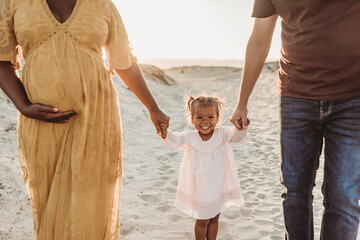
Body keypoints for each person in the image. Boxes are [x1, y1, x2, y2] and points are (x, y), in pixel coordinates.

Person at [0, 0, 169, 239]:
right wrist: (23, 105)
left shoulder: (102, 5)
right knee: (48, 204)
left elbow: (124, 62)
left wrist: (154, 108)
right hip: (41, 123)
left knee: (91, 202)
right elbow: (2, 60)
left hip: (97, 120)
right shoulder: (13, 3)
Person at [230, 1, 360, 239]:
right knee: (294, 192)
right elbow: (259, 40)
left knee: (344, 195)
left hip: (353, 97)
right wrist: (242, 102)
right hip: (296, 96)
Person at [160, 95, 248, 240]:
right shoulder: (190, 137)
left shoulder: (223, 133)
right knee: (202, 221)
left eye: (211, 117)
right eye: (199, 117)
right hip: (200, 188)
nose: (205, 121)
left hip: (218, 186)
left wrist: (241, 126)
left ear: (218, 118)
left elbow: (237, 137)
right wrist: (165, 134)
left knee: (214, 219)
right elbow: (175, 140)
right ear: (192, 119)